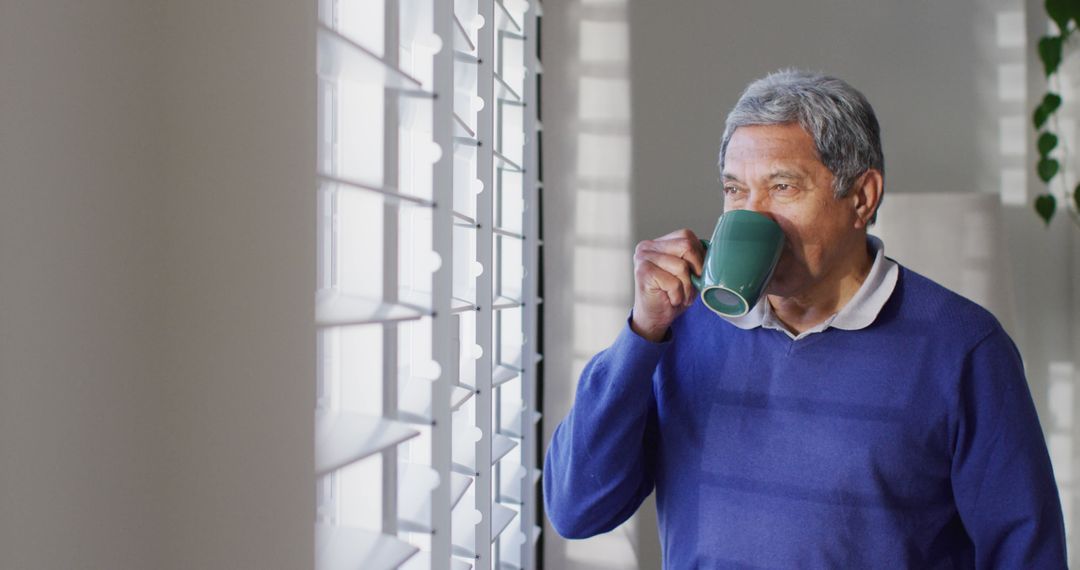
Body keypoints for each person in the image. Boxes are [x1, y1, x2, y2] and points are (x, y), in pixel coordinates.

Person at [543, 70, 1067, 568]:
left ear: (861, 198)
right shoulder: (682, 329)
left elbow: (1025, 552)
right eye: (734, 190)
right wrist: (642, 333)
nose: (752, 214)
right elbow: (576, 508)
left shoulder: (963, 348)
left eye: (783, 187)